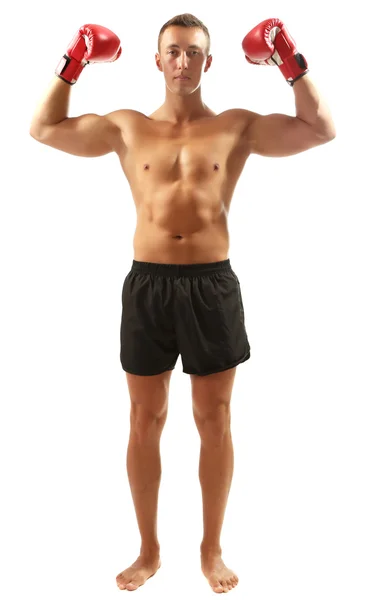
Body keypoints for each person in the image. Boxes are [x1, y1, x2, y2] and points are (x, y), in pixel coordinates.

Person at [30, 13, 336, 594]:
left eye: (194, 52)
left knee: (214, 420)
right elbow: (44, 128)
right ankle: (148, 550)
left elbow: (319, 129)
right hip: (147, 287)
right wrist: (75, 60)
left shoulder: (235, 126)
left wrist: (287, 58)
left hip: (212, 286)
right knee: (144, 421)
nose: (183, 62)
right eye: (173, 51)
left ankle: (211, 549)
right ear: (157, 60)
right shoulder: (126, 126)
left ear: (209, 61)